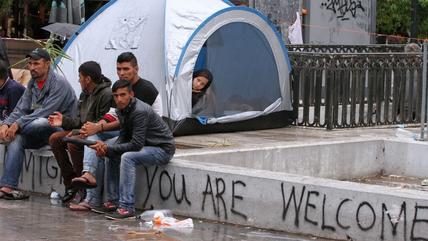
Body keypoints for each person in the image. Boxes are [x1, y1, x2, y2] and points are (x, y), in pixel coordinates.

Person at [68, 52, 163, 211]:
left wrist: (100, 127)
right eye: (119, 69)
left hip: (146, 136)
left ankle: (108, 199)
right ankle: (91, 188)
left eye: (126, 69)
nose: (122, 73)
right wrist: (94, 127)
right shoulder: (121, 87)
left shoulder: (145, 88)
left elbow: (131, 120)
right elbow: (113, 113)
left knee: (104, 146)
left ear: (136, 69)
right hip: (127, 132)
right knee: (94, 140)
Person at [72, 79, 175, 219]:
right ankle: (112, 202)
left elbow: (136, 144)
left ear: (131, 94)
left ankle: (127, 207)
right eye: (116, 95)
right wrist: (107, 149)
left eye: (123, 95)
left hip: (162, 149)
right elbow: (124, 136)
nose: (119, 99)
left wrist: (109, 148)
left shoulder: (140, 111)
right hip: (147, 144)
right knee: (113, 153)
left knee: (127, 157)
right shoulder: (122, 109)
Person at [0, 48, 77, 199]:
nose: (32, 67)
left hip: (58, 130)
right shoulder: (32, 83)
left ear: (48, 64)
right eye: (30, 63)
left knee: (41, 121)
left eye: (36, 63)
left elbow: (46, 112)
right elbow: (21, 108)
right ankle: (8, 187)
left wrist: (17, 125)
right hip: (35, 131)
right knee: (17, 139)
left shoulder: (59, 83)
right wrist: (7, 124)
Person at [48, 61, 113, 204]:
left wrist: (76, 131)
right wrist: (63, 120)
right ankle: (71, 183)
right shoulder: (85, 94)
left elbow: (96, 124)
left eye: (80, 77)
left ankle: (83, 187)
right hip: (82, 131)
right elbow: (79, 120)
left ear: (87, 79)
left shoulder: (106, 94)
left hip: (97, 133)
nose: (78, 80)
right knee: (55, 139)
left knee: (73, 143)